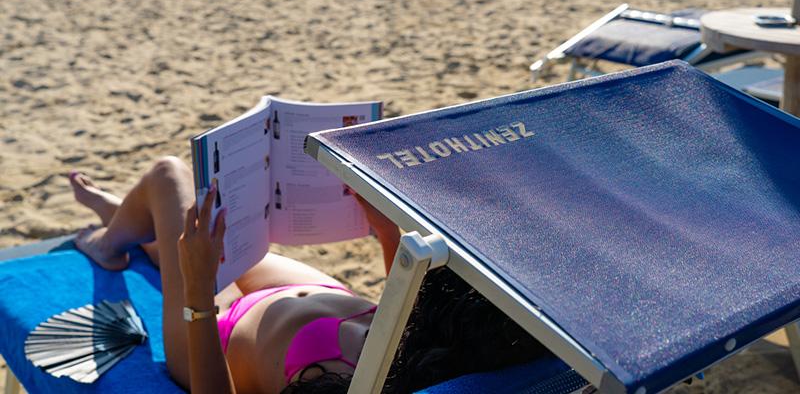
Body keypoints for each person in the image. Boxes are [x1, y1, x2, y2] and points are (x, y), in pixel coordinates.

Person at [69, 158, 549, 393]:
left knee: (170, 175)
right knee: (208, 234)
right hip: (305, 293)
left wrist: (197, 292)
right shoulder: (445, 343)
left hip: (217, 330)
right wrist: (385, 234)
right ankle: (134, 221)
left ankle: (108, 241)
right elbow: (396, 316)